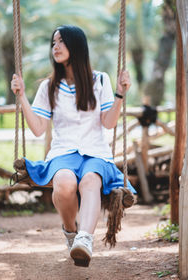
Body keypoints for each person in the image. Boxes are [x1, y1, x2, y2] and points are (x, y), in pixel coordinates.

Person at [11, 25, 136, 267]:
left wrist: (120, 94)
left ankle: (85, 239)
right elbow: (38, 129)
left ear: (76, 46)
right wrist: (22, 96)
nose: (55, 47)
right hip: (63, 152)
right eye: (53, 43)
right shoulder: (48, 87)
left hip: (95, 151)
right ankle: (71, 232)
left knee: (90, 181)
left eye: (61, 42)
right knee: (65, 183)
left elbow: (109, 124)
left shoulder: (100, 80)